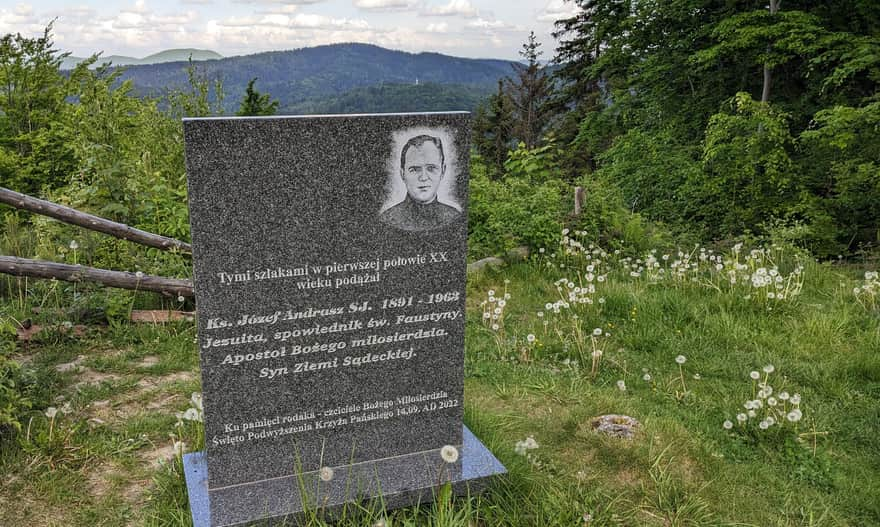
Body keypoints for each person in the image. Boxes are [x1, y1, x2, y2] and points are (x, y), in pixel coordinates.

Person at [379, 134, 460, 232]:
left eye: (431, 168)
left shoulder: (454, 216)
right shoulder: (387, 219)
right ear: (402, 174)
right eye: (414, 169)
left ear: (442, 171)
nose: (423, 178)